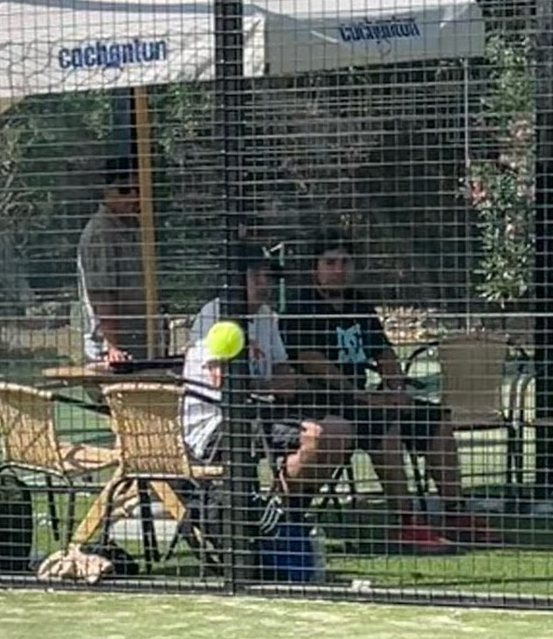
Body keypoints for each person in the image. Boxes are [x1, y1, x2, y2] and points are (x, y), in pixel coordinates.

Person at [287, 232, 502, 550]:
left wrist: (396, 387)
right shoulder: (301, 308)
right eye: (330, 263)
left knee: (434, 419)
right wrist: (356, 394)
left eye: (345, 262)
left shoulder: (358, 304)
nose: (339, 269)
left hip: (363, 399)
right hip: (323, 405)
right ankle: (406, 522)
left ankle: (455, 513)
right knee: (384, 425)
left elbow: (384, 353)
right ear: (314, 268)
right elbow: (311, 360)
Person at [181, 241, 353, 499]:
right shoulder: (214, 315)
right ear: (235, 279)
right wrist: (270, 386)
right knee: (315, 436)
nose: (265, 283)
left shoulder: (265, 315)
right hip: (218, 424)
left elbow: (281, 368)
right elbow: (223, 382)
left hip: (262, 414)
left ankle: (285, 507)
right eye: (256, 276)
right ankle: (281, 510)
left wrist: (291, 382)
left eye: (268, 276)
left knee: (340, 430)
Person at [77, 163, 154, 367]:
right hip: (114, 350)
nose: (134, 197)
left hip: (139, 341)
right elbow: (102, 294)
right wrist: (112, 346)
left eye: (138, 190)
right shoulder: (100, 233)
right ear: (106, 192)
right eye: (124, 190)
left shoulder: (135, 226)